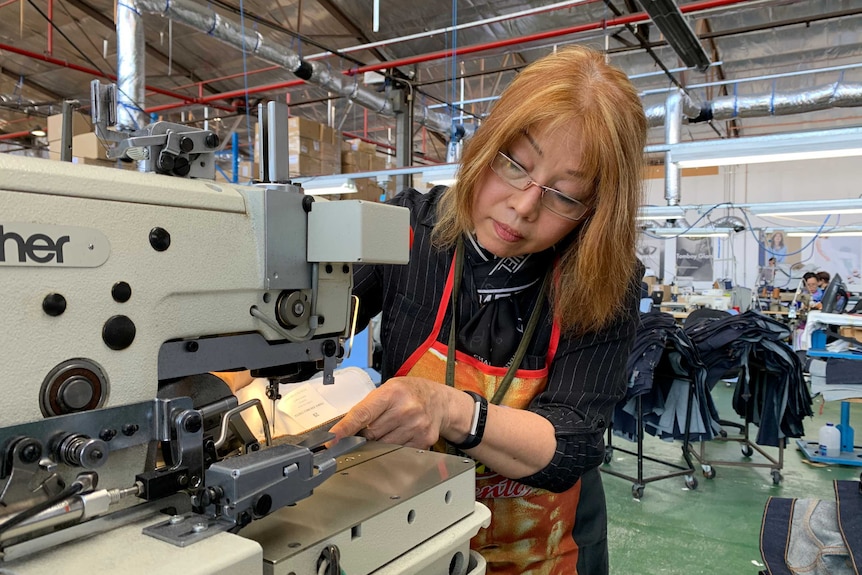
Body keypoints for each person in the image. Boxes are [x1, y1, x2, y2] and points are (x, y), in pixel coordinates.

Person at [328, 46, 646, 574]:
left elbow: (573, 440)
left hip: (545, 549)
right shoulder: (408, 232)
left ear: (596, 212)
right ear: (486, 145)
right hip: (413, 537)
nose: (524, 206)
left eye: (564, 197)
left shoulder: (603, 281)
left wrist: (449, 409)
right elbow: (303, 326)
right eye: (514, 165)